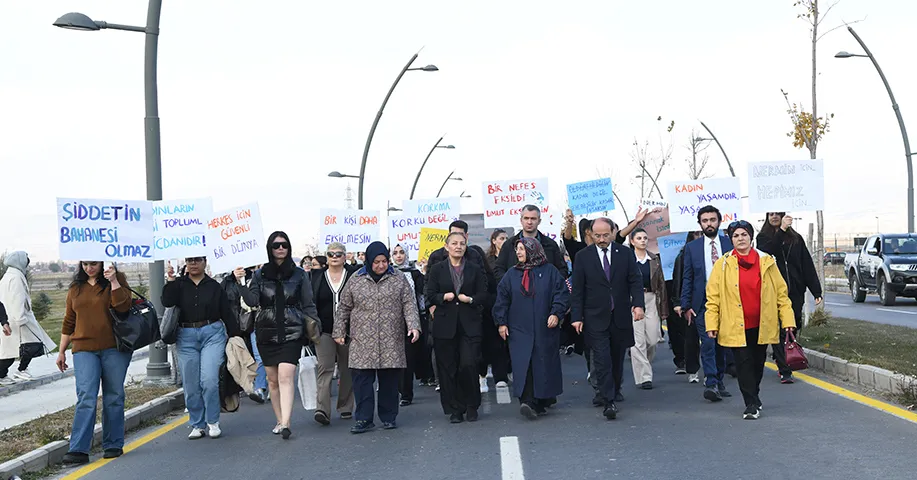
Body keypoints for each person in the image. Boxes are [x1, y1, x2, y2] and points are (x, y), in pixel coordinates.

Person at [706, 220, 796, 419]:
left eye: (744, 234)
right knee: (743, 363)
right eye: (736, 236)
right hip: (735, 324)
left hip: (762, 323)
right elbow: (713, 297)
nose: (740, 239)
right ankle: (751, 404)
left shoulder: (767, 262)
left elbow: (782, 294)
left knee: (757, 362)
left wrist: (788, 320)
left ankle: (754, 395)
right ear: (731, 239)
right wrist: (712, 324)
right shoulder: (723, 264)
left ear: (750, 237)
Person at [333, 241, 421, 433]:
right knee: (362, 382)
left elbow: (409, 304)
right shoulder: (356, 279)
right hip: (362, 340)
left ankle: (389, 417)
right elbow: (344, 308)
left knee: (389, 381)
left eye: (384, 261)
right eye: (377, 262)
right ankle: (364, 419)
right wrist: (339, 331)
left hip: (391, 339)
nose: (381, 266)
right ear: (369, 261)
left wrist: (414, 326)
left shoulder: (398, 278)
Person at [238, 231, 318, 440]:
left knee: (285, 376)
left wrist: (314, 325)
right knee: (272, 381)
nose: (280, 248)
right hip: (266, 332)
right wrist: (239, 283)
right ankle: (279, 419)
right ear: (270, 249)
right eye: (276, 245)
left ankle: (286, 423)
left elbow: (308, 302)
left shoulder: (300, 274)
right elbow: (253, 301)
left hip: (293, 331)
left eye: (284, 245)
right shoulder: (260, 274)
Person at [57, 261, 132, 465]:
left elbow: (124, 307)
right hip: (83, 349)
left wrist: (114, 280)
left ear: (103, 262)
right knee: (86, 397)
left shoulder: (116, 280)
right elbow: (69, 320)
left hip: (114, 348)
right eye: (86, 264)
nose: (89, 268)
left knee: (114, 396)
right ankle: (79, 449)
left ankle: (113, 444)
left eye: (94, 264)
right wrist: (61, 351)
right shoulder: (76, 288)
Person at [570, 218, 645, 420]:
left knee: (617, 357)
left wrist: (638, 305)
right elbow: (577, 290)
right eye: (597, 235)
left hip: (619, 314)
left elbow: (635, 281)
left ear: (613, 232)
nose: (601, 239)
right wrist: (576, 317)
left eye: (605, 235)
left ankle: (615, 387)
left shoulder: (625, 254)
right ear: (590, 235)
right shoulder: (583, 257)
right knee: (602, 359)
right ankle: (608, 400)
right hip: (595, 316)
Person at [163, 256, 240, 440]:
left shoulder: (214, 286)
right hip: (186, 336)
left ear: (205, 262)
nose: (193, 264)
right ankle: (197, 423)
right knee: (191, 383)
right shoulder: (179, 284)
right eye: (190, 260)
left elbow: (226, 312)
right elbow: (167, 301)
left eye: (197, 260)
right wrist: (171, 280)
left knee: (209, 380)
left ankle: (213, 421)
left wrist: (236, 336)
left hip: (212, 334)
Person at [493, 237, 570, 419]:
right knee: (523, 364)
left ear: (533, 250)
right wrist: (501, 322)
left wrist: (556, 313)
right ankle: (527, 401)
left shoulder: (549, 271)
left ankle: (542, 399)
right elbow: (502, 299)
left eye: (522, 249)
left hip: (544, 327)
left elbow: (562, 294)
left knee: (542, 362)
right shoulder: (511, 274)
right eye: (517, 249)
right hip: (519, 328)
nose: (518, 253)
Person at [425, 232, 488, 424]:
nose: (458, 246)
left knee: (468, 364)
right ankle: (454, 408)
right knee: (447, 368)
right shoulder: (437, 269)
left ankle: (471, 405)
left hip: (469, 324)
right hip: (445, 324)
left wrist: (470, 300)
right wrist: (442, 298)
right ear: (447, 247)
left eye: (462, 243)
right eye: (454, 243)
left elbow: (484, 294)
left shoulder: (475, 269)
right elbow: (429, 294)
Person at [756, 212, 823, 383]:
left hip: (795, 290)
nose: (774, 217)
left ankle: (788, 353)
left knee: (793, 325)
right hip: (773, 291)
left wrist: (816, 290)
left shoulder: (796, 238)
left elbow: (806, 263)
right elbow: (770, 251)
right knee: (779, 329)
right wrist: (782, 231)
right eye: (771, 214)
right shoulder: (763, 238)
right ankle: (784, 367)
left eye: (778, 214)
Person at [681, 206, 734, 402]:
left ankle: (719, 380)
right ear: (700, 224)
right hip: (703, 304)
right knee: (709, 343)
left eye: (712, 219)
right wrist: (686, 305)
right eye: (705, 220)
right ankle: (711, 382)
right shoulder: (692, 248)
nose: (709, 223)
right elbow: (687, 277)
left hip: (728, 302)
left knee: (722, 344)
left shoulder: (730, 244)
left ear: (719, 221)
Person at [311, 242, 355, 425]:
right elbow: (311, 303)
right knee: (325, 367)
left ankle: (345, 406)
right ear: (326, 257)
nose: (335, 257)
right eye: (331, 254)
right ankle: (322, 409)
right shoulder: (317, 278)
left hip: (349, 331)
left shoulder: (353, 277)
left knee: (347, 369)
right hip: (325, 331)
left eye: (338, 254)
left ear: (345, 257)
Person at [0, 251, 56, 384]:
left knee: (9, 350)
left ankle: (3, 375)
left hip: (9, 318)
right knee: (34, 344)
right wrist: (20, 319)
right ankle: (21, 370)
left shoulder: (8, 276)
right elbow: (17, 298)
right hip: (18, 318)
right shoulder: (16, 277)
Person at [628, 229, 668, 390]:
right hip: (632, 300)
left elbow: (662, 284)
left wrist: (664, 308)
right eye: (639, 238)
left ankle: (644, 362)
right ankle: (645, 377)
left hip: (651, 299)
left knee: (652, 339)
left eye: (645, 237)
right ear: (632, 241)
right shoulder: (628, 259)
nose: (643, 240)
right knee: (637, 341)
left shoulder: (654, 259)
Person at [391, 244, 427, 406]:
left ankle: (406, 393)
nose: (398, 256)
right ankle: (396, 388)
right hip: (390, 321)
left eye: (401, 253)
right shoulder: (387, 273)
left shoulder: (414, 274)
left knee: (407, 356)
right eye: (395, 253)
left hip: (410, 320)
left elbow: (421, 295)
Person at [494, 205, 567, 282]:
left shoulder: (550, 245)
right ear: (521, 220)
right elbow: (498, 269)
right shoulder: (509, 245)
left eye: (533, 218)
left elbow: (562, 269)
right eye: (526, 218)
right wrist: (511, 284)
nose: (529, 222)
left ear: (539, 221)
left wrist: (550, 284)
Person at [672, 231, 703, 383]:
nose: (700, 236)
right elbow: (679, 279)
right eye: (696, 234)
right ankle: (692, 369)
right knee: (692, 337)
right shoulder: (684, 254)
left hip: (712, 299)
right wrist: (679, 302)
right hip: (691, 302)